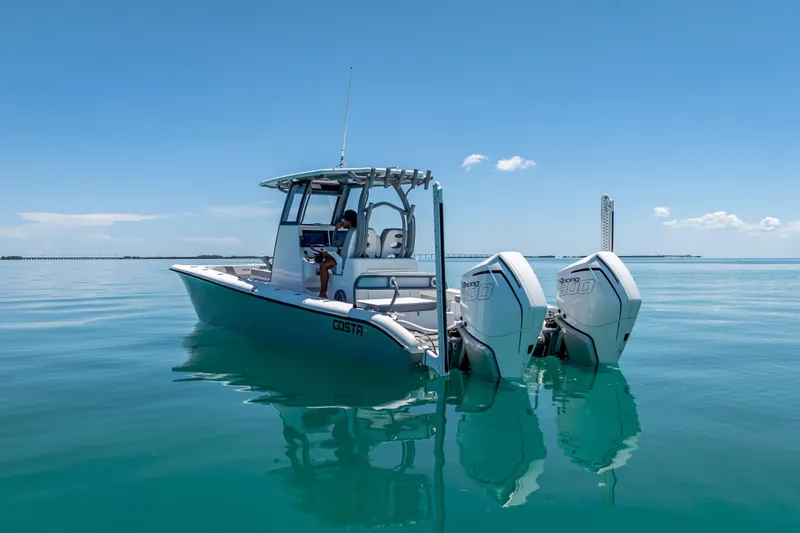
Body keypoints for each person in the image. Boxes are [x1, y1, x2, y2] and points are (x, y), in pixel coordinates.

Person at [319, 209, 357, 298]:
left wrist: (336, 229)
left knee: (323, 264)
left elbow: (335, 244)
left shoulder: (349, 233)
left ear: (349, 221)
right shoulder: (357, 231)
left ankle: (323, 293)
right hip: (350, 258)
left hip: (343, 259)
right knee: (326, 255)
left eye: (344, 220)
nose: (343, 222)